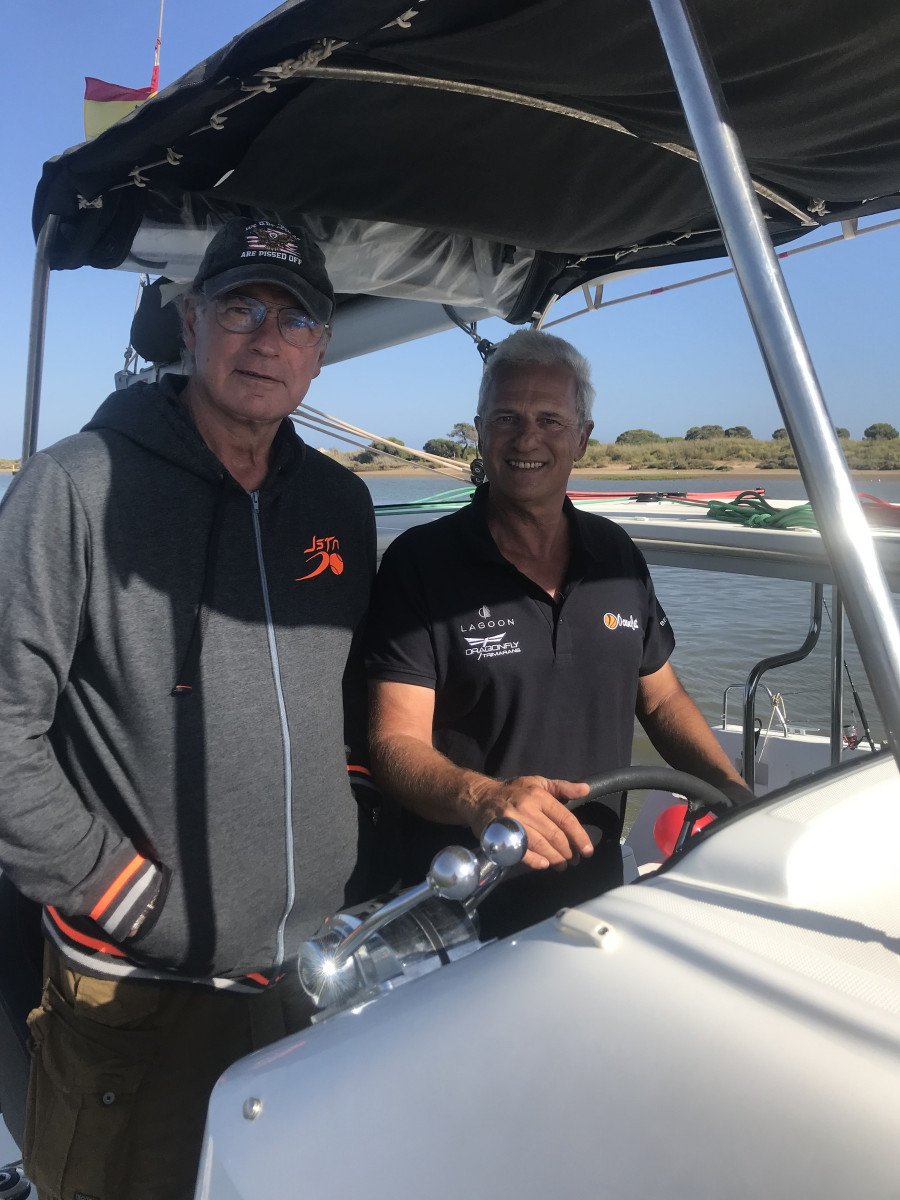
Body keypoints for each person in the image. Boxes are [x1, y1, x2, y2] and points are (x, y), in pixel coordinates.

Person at [0, 217, 389, 1199]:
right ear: (190, 321)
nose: (266, 337)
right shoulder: (75, 487)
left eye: (294, 317)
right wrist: (109, 884)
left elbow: (342, 698)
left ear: (321, 348)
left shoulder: (340, 505)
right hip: (137, 982)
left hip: (310, 971)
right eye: (241, 307)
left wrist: (347, 848)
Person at [365, 329, 749, 936]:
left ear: (583, 438)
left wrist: (731, 792)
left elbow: (662, 696)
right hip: (460, 910)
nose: (527, 440)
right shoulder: (420, 563)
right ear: (481, 430)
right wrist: (481, 799)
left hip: (594, 901)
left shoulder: (616, 554)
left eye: (550, 420)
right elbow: (393, 743)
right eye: (507, 419)